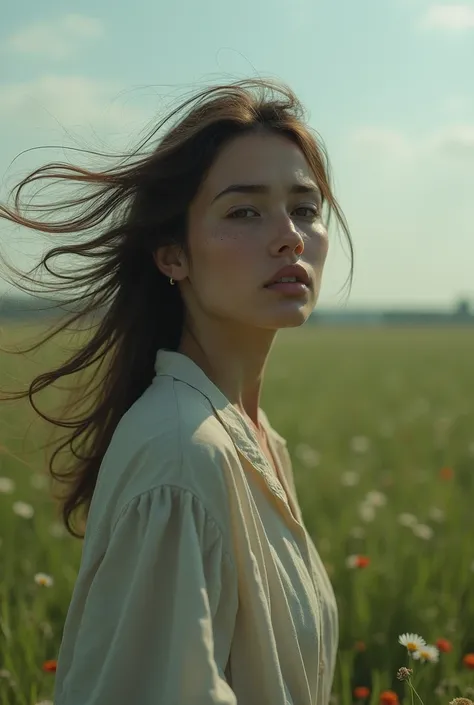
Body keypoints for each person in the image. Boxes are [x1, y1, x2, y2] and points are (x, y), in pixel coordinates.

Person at [0, 78, 353, 704]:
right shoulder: (184, 454)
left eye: (304, 207)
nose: (291, 236)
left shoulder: (254, 439)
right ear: (173, 256)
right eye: (244, 211)